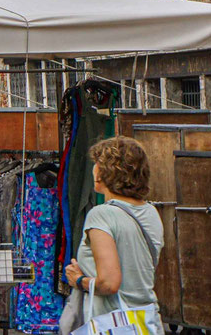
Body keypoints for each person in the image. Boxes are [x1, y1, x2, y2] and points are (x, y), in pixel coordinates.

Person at [64, 136, 163, 320]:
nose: (93, 169)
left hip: (114, 323)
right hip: (146, 321)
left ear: (105, 172)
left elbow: (109, 284)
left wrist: (78, 280)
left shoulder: (101, 215)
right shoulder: (151, 213)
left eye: (97, 164)